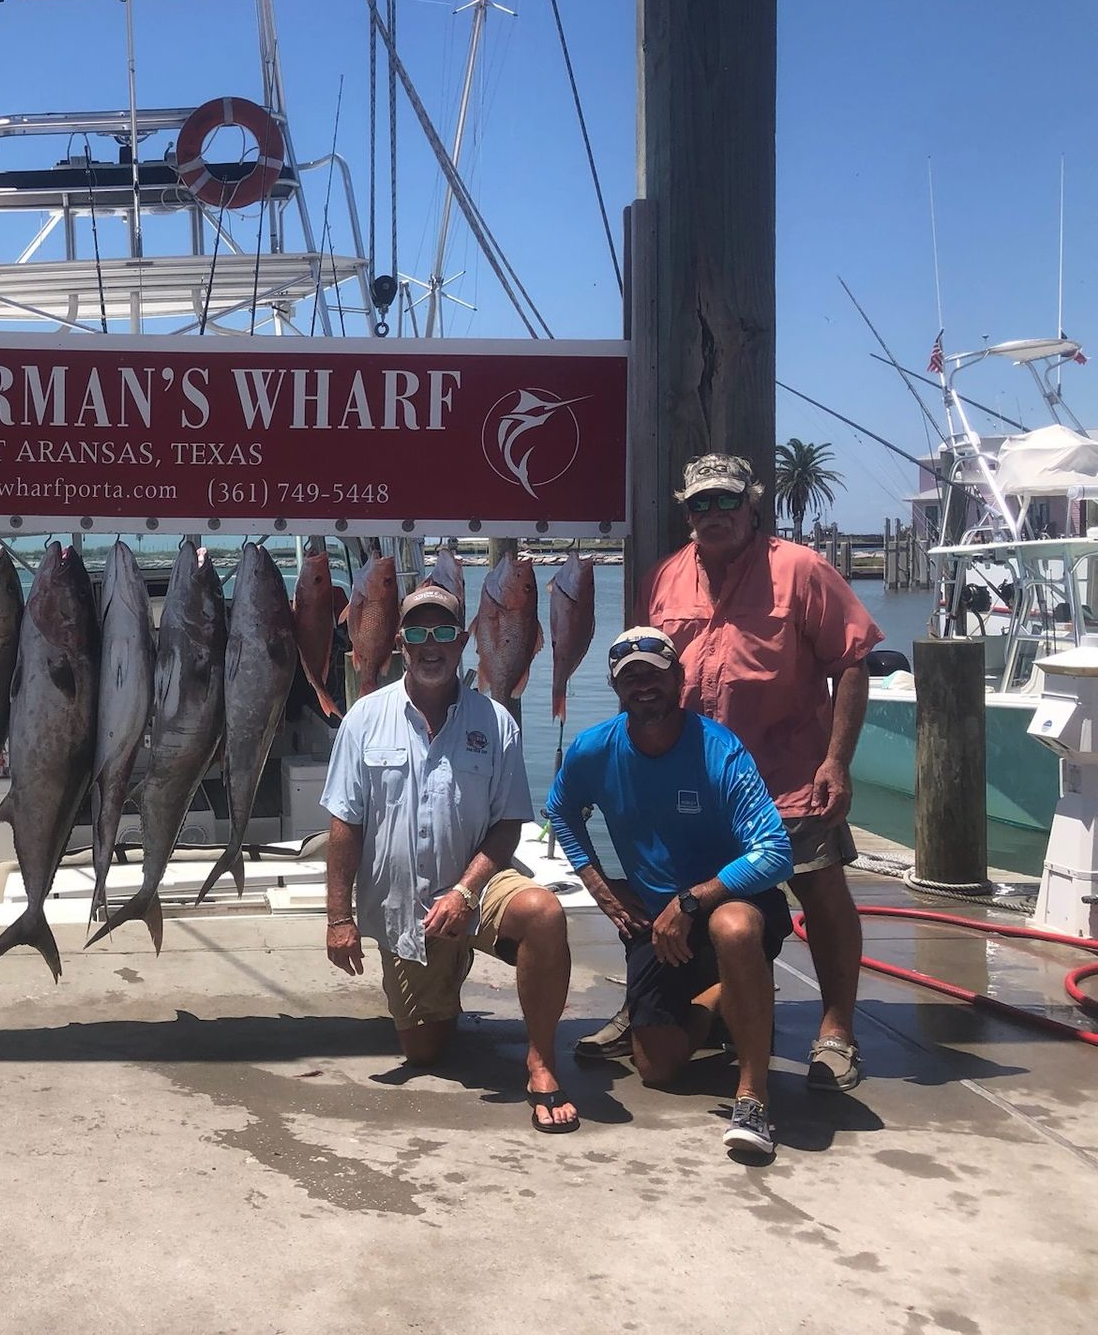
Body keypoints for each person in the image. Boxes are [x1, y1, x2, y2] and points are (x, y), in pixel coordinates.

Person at [579, 453, 882, 1094]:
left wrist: (837, 760)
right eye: (700, 504)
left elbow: (852, 660)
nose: (714, 514)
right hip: (692, 781)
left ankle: (835, 1030)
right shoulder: (665, 576)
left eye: (726, 501)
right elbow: (644, 669)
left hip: (789, 777)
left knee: (821, 896)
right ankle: (655, 1002)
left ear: (752, 504)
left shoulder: (801, 569)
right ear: (686, 511)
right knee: (672, 893)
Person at [321, 582, 579, 1133]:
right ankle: (450, 967)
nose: (430, 644)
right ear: (399, 643)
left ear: (463, 641)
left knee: (543, 913)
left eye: (443, 632)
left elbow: (509, 822)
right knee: (424, 1052)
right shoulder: (363, 719)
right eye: (418, 632)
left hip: (478, 890)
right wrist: (339, 918)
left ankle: (541, 1061)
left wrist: (465, 892)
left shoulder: (497, 723)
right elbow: (344, 823)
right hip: (405, 910)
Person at [548, 628, 794, 1158]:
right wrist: (600, 886)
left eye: (655, 673)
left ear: (679, 679)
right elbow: (561, 812)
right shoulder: (594, 750)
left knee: (734, 928)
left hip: (731, 899)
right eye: (630, 676)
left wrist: (691, 901)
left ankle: (752, 1096)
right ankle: (721, 996)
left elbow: (774, 852)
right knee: (657, 1070)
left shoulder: (719, 749)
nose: (644, 685)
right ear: (617, 688)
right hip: (655, 916)